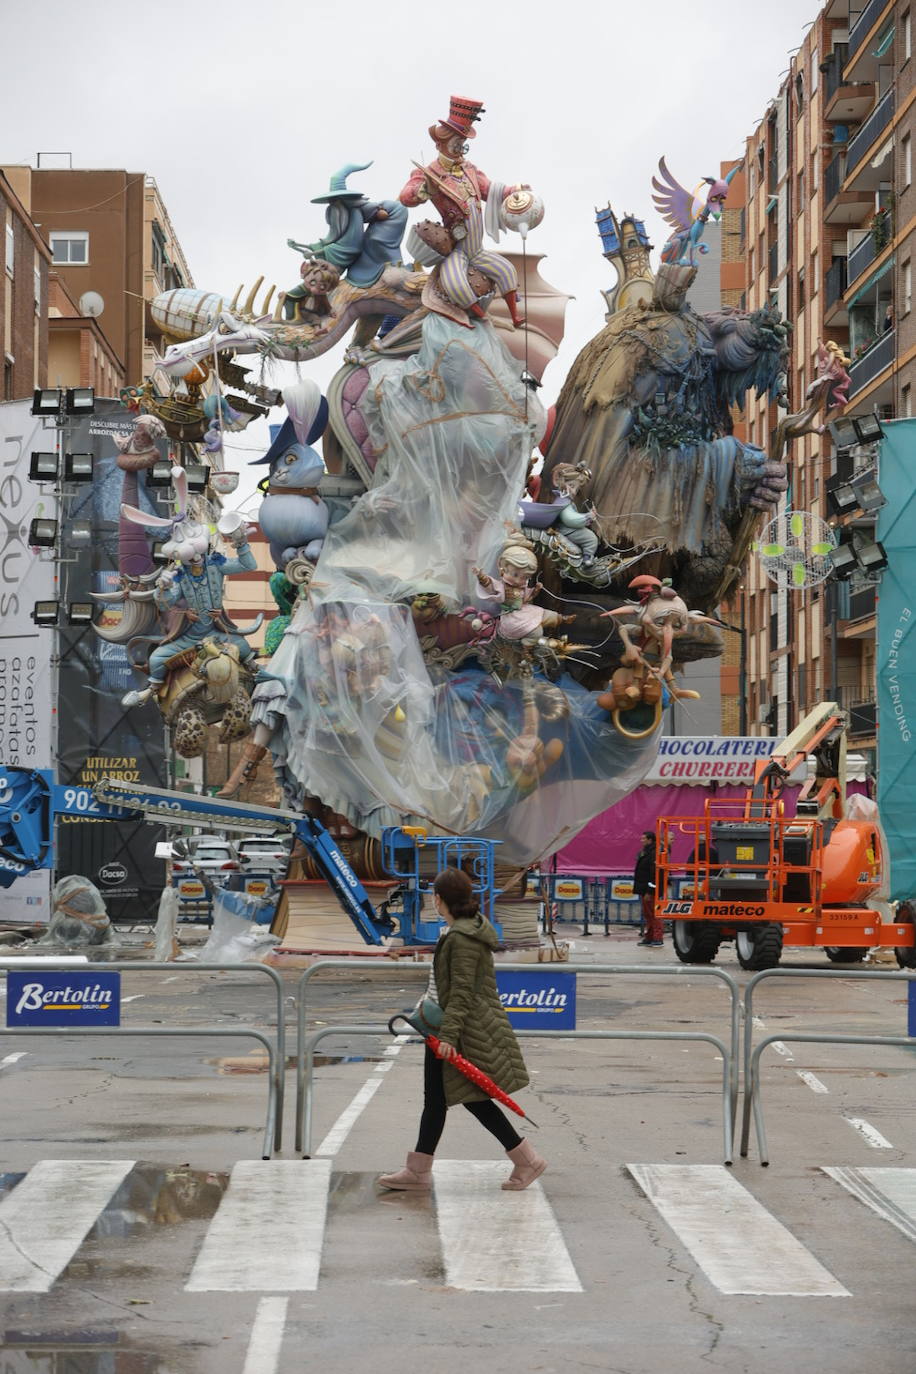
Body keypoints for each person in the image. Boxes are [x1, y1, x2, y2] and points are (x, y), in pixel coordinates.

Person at [379, 867, 546, 1193]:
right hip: (441, 1026)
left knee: (471, 1098)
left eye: (434, 897)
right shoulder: (456, 931)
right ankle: (419, 1170)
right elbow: (443, 987)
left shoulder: (464, 938)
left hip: (459, 1030)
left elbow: (462, 993)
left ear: (439, 899)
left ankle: (526, 1160)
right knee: (440, 1099)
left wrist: (449, 1038)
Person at [633, 831, 663, 947]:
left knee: (654, 915)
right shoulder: (646, 852)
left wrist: (649, 891)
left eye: (643, 838)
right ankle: (649, 937)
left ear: (650, 840)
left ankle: (657, 938)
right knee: (648, 914)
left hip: (649, 890)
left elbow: (654, 874)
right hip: (644, 888)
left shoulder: (654, 853)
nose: (641, 840)